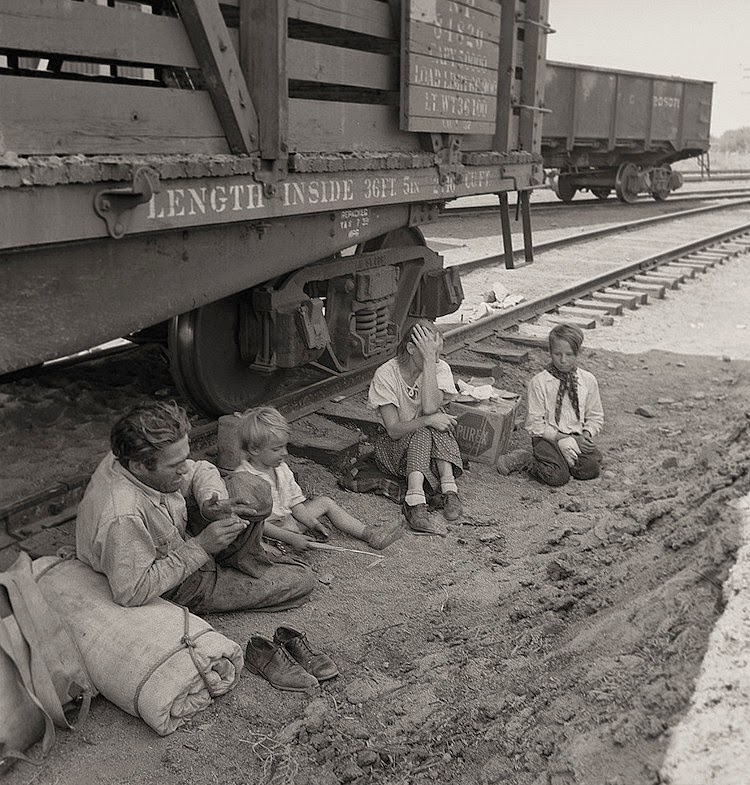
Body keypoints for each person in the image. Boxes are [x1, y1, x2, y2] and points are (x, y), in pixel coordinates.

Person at [76, 401, 317, 613]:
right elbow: (132, 591)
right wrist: (201, 546)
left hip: (183, 539)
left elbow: (200, 469)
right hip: (176, 583)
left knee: (250, 488)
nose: (184, 469)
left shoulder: (134, 460)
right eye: (175, 465)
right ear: (139, 466)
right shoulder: (123, 514)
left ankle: (236, 559)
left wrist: (211, 502)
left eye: (184, 458)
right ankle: (227, 570)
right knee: (301, 578)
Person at [230, 407, 403, 551]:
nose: (285, 453)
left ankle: (369, 534)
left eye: (284, 446)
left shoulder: (280, 468)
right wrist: (291, 537)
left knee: (325, 502)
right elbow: (258, 525)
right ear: (254, 449)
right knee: (259, 546)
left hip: (287, 522)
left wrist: (312, 524)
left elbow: (295, 503)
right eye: (277, 449)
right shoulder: (244, 479)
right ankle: (283, 546)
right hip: (264, 532)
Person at [367, 320, 463, 535]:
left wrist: (429, 363)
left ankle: (449, 490)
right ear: (411, 349)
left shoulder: (439, 368)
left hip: (430, 455)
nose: (436, 359)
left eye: (437, 353)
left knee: (439, 422)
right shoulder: (386, 374)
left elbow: (429, 407)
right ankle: (415, 502)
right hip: (394, 450)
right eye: (429, 353)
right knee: (427, 426)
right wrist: (428, 420)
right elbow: (393, 430)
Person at [497, 323, 604, 486]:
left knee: (591, 469)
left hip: (576, 436)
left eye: (569, 354)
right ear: (550, 352)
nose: (563, 360)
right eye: (557, 354)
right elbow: (535, 425)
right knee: (557, 477)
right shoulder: (540, 382)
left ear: (578, 353)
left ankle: (561, 461)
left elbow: (595, 416)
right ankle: (529, 460)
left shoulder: (588, 380)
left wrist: (586, 435)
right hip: (547, 438)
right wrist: (563, 438)